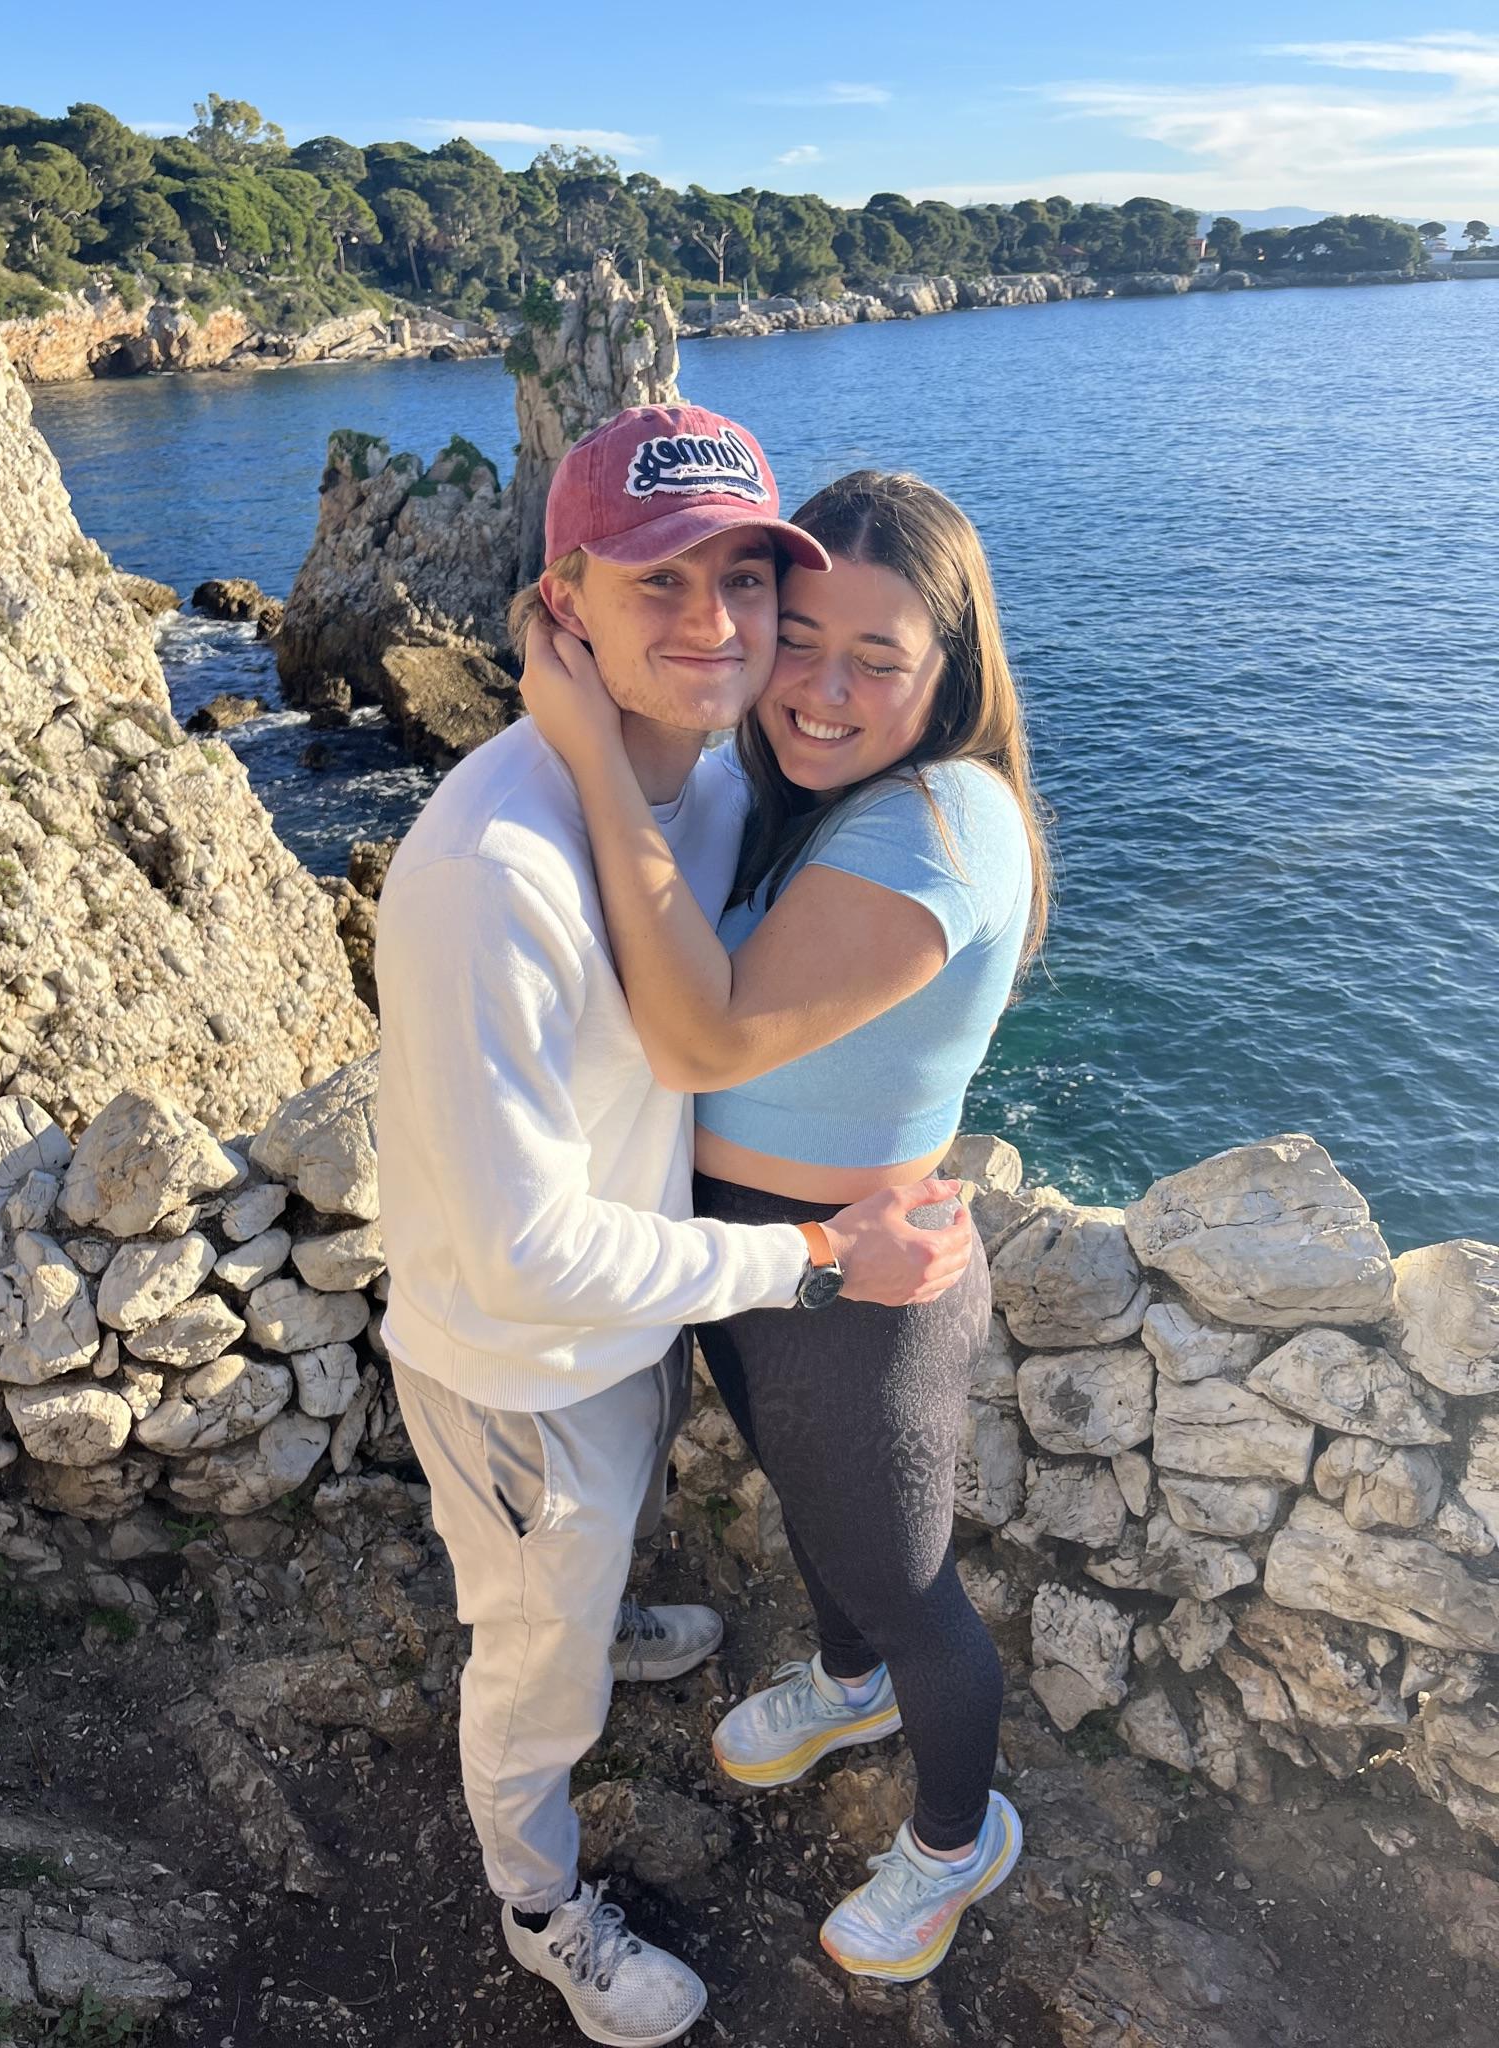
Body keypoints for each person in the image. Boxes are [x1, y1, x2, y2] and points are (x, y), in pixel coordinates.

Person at [374, 406, 976, 2048]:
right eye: (658, 585)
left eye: (743, 577)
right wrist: (813, 1257)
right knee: (531, 1667)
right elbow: (525, 1254)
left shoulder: (702, 789)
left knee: (599, 1548)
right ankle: (538, 1899)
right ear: (564, 604)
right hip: (522, 1357)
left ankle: (601, 1611)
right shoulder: (490, 870)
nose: (716, 624)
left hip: (631, 1332)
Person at [518, 465, 1052, 1984]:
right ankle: (845, 1682)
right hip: (756, 1257)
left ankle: (957, 1839)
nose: (815, 689)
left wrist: (589, 755)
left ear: (949, 674)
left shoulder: (940, 823)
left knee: (907, 1583)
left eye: (874, 661)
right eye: (794, 636)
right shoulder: (802, 797)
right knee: (817, 1515)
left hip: (862, 1290)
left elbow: (704, 1043)